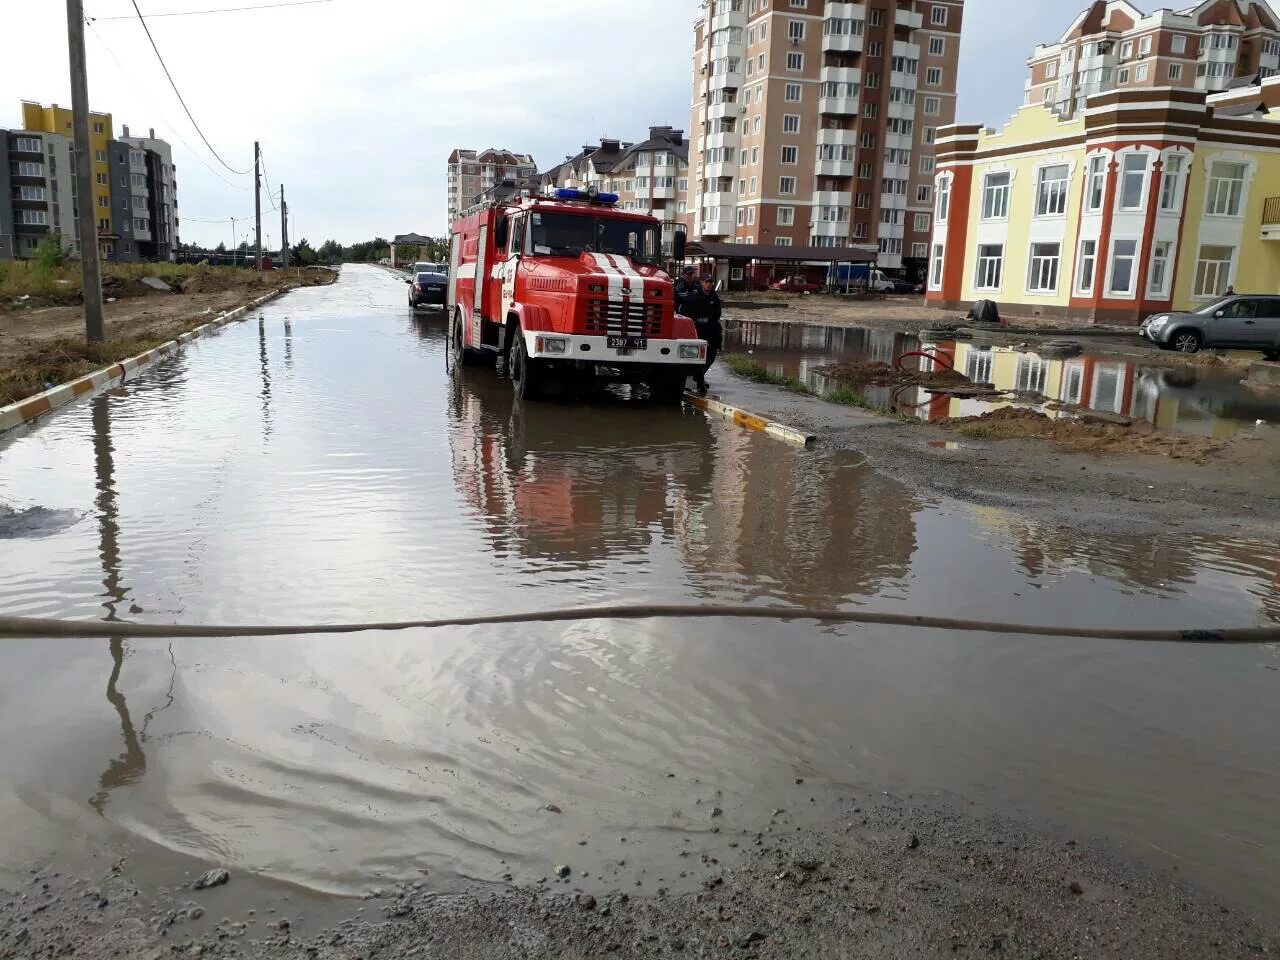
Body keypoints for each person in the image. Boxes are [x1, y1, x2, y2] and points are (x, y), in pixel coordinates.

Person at [684, 275, 723, 395]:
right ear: (702, 283)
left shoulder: (714, 296)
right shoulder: (696, 297)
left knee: (711, 357)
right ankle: (700, 383)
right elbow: (688, 313)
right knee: (699, 357)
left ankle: (699, 377)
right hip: (699, 330)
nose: (709, 284)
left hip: (712, 330)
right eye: (707, 282)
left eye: (711, 282)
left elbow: (718, 312)